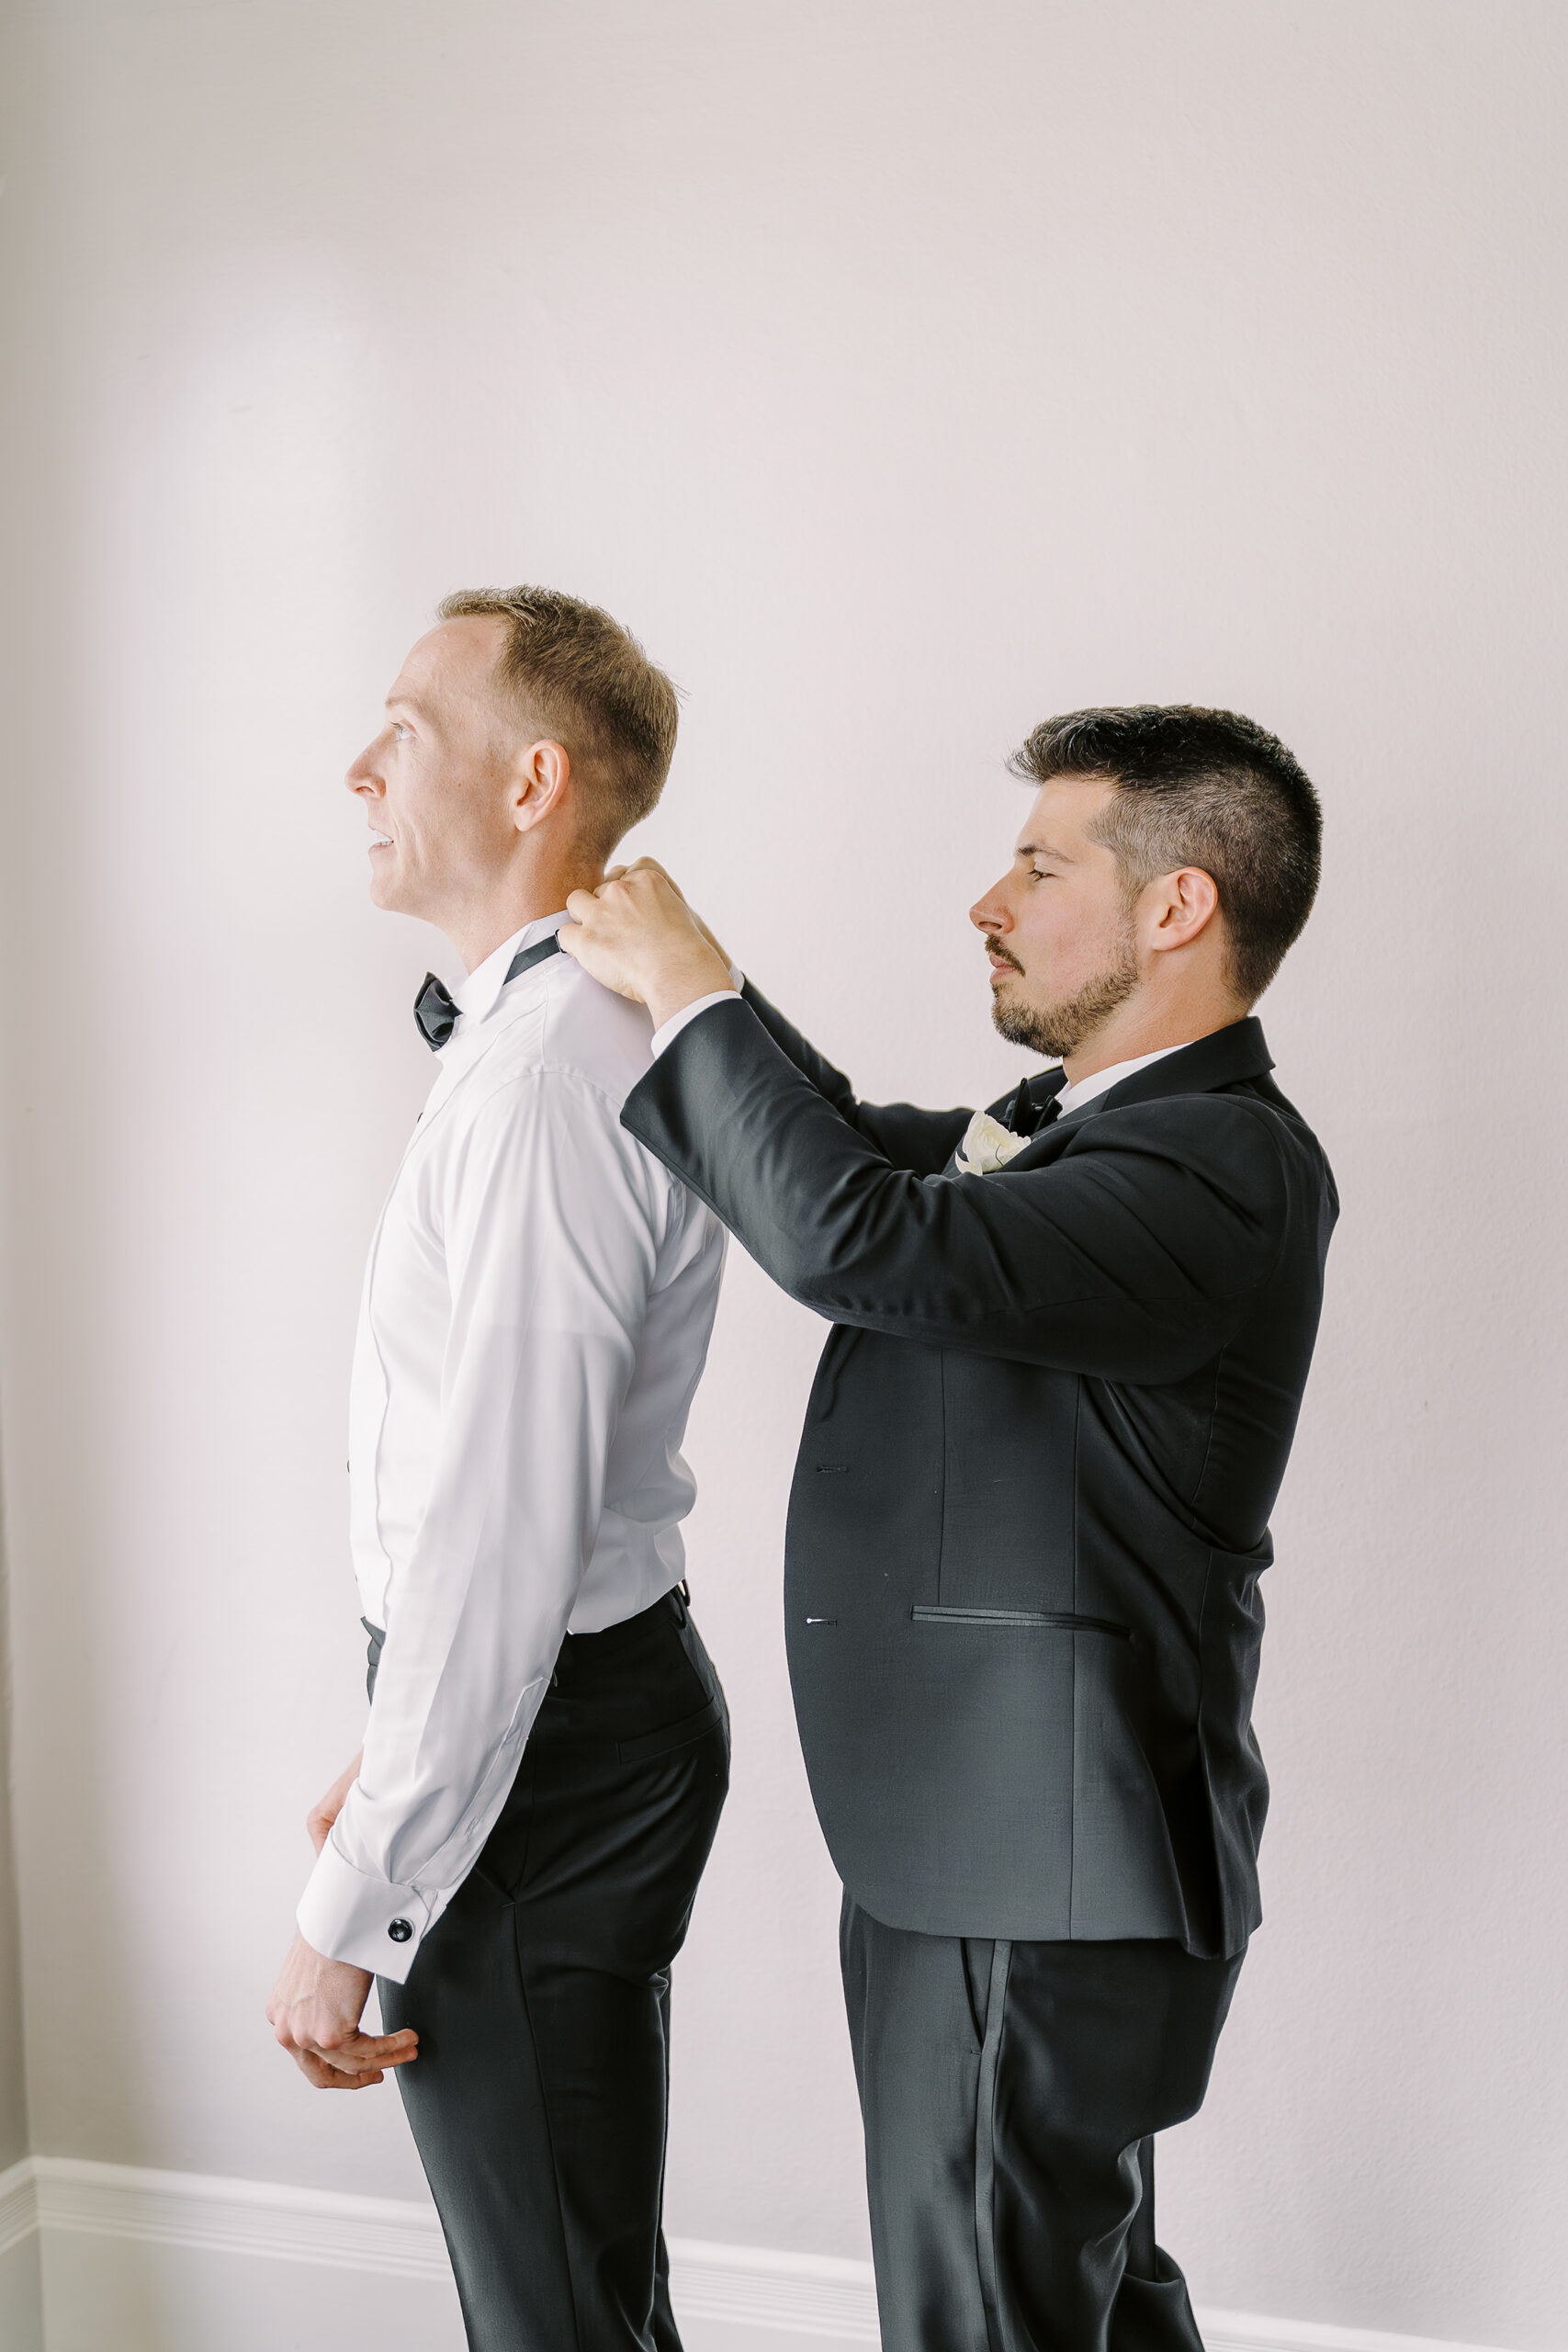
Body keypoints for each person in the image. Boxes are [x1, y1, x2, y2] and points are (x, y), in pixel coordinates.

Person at [559, 704, 1337, 2352]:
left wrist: (688, 977)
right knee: (1072, 2298)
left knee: (984, 2310)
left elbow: (856, 1242)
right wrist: (658, 954)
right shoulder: (1080, 1128)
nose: (989, 902)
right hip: (1002, 1860)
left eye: (1039, 865)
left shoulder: (1218, 1164)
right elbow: (839, 1145)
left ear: (1176, 906)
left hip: (1030, 1874)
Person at [265, 586, 731, 2352]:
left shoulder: (548, 1074)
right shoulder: (532, 1038)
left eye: (404, 722)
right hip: (531, 1720)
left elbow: (502, 1532)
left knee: (554, 2315)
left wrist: (353, 1906)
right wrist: (400, 1751)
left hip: (548, 1748)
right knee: (564, 2290)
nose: (359, 763)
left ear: (534, 781)